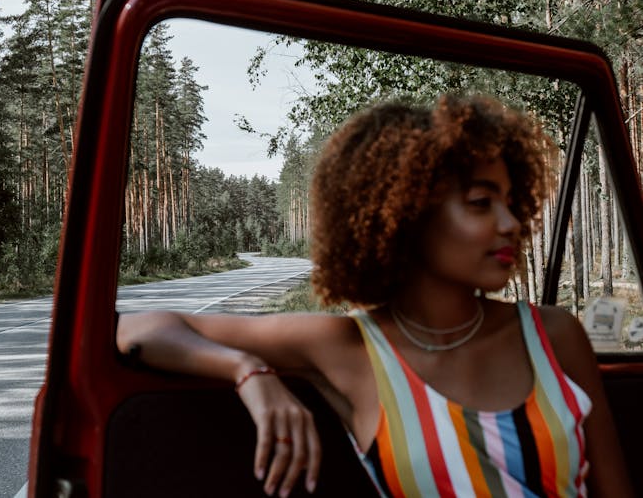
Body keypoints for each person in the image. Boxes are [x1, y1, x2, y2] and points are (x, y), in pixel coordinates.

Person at [116, 95, 632, 497]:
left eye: (509, 200)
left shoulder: (554, 334)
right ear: (404, 214)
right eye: (480, 202)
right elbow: (136, 329)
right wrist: (250, 373)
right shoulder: (350, 347)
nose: (510, 223)